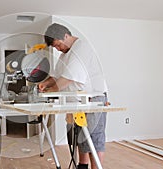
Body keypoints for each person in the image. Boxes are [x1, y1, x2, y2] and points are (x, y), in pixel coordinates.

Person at [38, 23, 108, 169]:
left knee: (94, 138)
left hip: (92, 99)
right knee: (79, 137)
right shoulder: (65, 54)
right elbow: (57, 76)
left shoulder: (81, 48)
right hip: (76, 102)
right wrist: (46, 83)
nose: (58, 49)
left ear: (66, 35)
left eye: (58, 45)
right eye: (55, 47)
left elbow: (70, 77)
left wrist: (53, 91)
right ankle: (82, 166)